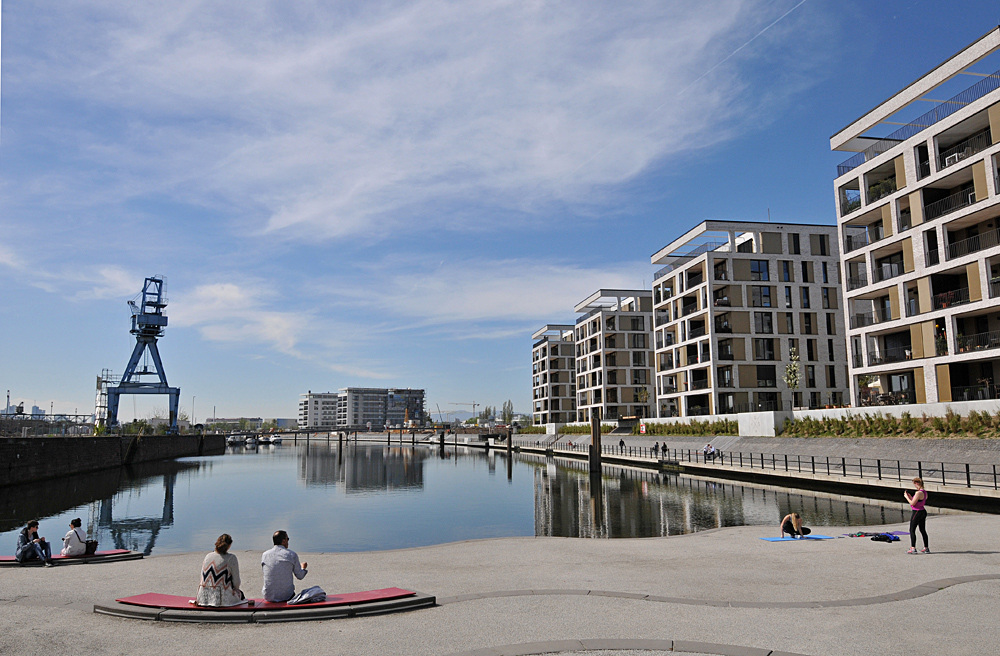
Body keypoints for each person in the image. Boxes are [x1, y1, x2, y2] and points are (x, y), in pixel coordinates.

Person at [197, 534, 246, 607]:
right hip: (221, 600)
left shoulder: (208, 556)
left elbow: (202, 576)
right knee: (241, 595)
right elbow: (236, 582)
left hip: (202, 597)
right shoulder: (231, 558)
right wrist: (236, 590)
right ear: (229, 546)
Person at [261, 530, 308, 602]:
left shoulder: (265, 555)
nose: (288, 541)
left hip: (268, 596)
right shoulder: (291, 555)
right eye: (287, 539)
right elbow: (300, 576)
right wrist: (303, 568)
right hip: (287, 596)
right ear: (283, 541)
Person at [904, 477, 929, 554]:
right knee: (922, 530)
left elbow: (912, 503)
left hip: (916, 512)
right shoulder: (924, 492)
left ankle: (913, 548)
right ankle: (926, 547)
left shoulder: (918, 493)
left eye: (914, 484)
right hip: (922, 511)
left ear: (917, 483)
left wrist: (906, 497)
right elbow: (919, 501)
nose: (914, 486)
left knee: (912, 530)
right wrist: (910, 497)